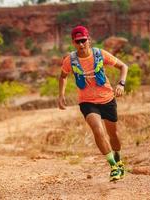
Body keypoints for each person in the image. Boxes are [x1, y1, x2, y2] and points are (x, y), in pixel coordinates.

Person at [58, 25, 128, 181]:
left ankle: (118, 158)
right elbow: (63, 76)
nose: (81, 44)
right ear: (73, 42)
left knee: (113, 135)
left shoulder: (100, 54)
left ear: (88, 39)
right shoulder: (70, 60)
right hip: (87, 102)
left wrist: (121, 84)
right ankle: (113, 166)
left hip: (107, 98)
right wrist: (61, 95)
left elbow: (124, 66)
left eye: (83, 40)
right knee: (97, 130)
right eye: (78, 42)